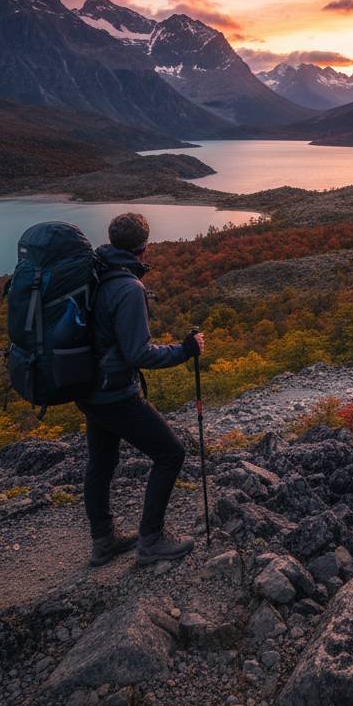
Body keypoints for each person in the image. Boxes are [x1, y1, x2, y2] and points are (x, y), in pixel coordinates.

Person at [79, 211, 205, 567]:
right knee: (171, 454)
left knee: (101, 462)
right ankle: (151, 540)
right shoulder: (128, 287)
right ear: (144, 246)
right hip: (115, 393)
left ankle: (103, 541)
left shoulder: (95, 272)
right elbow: (139, 353)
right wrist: (185, 350)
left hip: (88, 389)